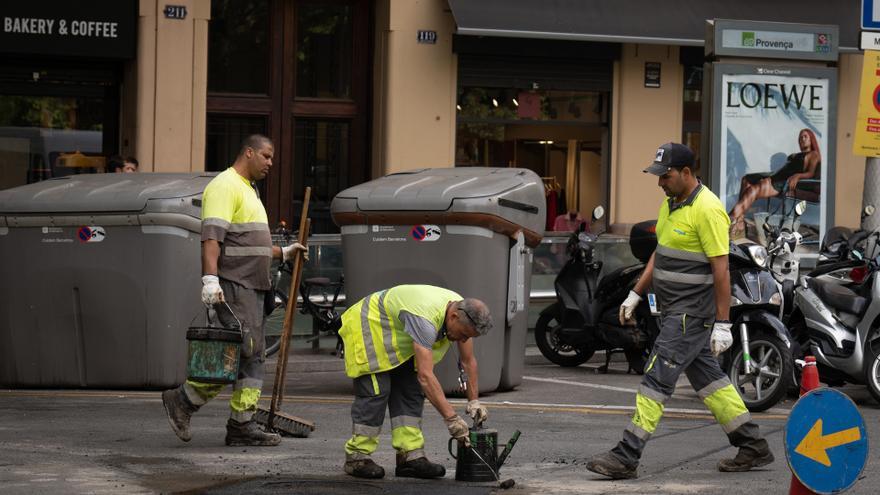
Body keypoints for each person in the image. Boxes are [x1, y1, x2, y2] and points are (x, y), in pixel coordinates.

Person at [585, 143, 774, 480]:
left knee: (656, 378)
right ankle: (752, 445)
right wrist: (635, 293)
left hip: (690, 314)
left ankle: (627, 454)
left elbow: (721, 270)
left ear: (687, 173)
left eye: (666, 176)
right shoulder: (671, 204)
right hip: (673, 310)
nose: (660, 182)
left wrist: (722, 323)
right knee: (711, 382)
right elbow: (661, 252)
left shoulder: (708, 210)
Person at [161, 134, 307, 447]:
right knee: (238, 352)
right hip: (234, 285)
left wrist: (282, 252)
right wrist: (210, 280)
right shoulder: (225, 186)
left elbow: (248, 244)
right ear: (249, 152)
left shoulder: (249, 191)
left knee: (252, 355)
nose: (271, 163)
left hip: (253, 286)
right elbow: (211, 239)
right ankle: (184, 400)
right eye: (266, 156)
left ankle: (242, 424)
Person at [340, 284, 493, 480]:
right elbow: (426, 376)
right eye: (463, 335)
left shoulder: (462, 313)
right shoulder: (425, 318)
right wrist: (452, 419)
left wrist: (474, 401)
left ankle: (410, 457)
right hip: (368, 327)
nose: (463, 340)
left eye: (468, 337)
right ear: (453, 317)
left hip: (396, 335)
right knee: (376, 391)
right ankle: (357, 457)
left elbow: (468, 361)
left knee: (410, 391)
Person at [729, 128, 821, 235]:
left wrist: (798, 176)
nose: (802, 139)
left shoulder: (813, 154)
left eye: (805, 136)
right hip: (775, 175)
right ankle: (740, 221)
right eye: (800, 137)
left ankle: (730, 219)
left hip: (782, 181)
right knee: (746, 179)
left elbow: (810, 173)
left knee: (752, 190)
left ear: (811, 139)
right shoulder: (795, 155)